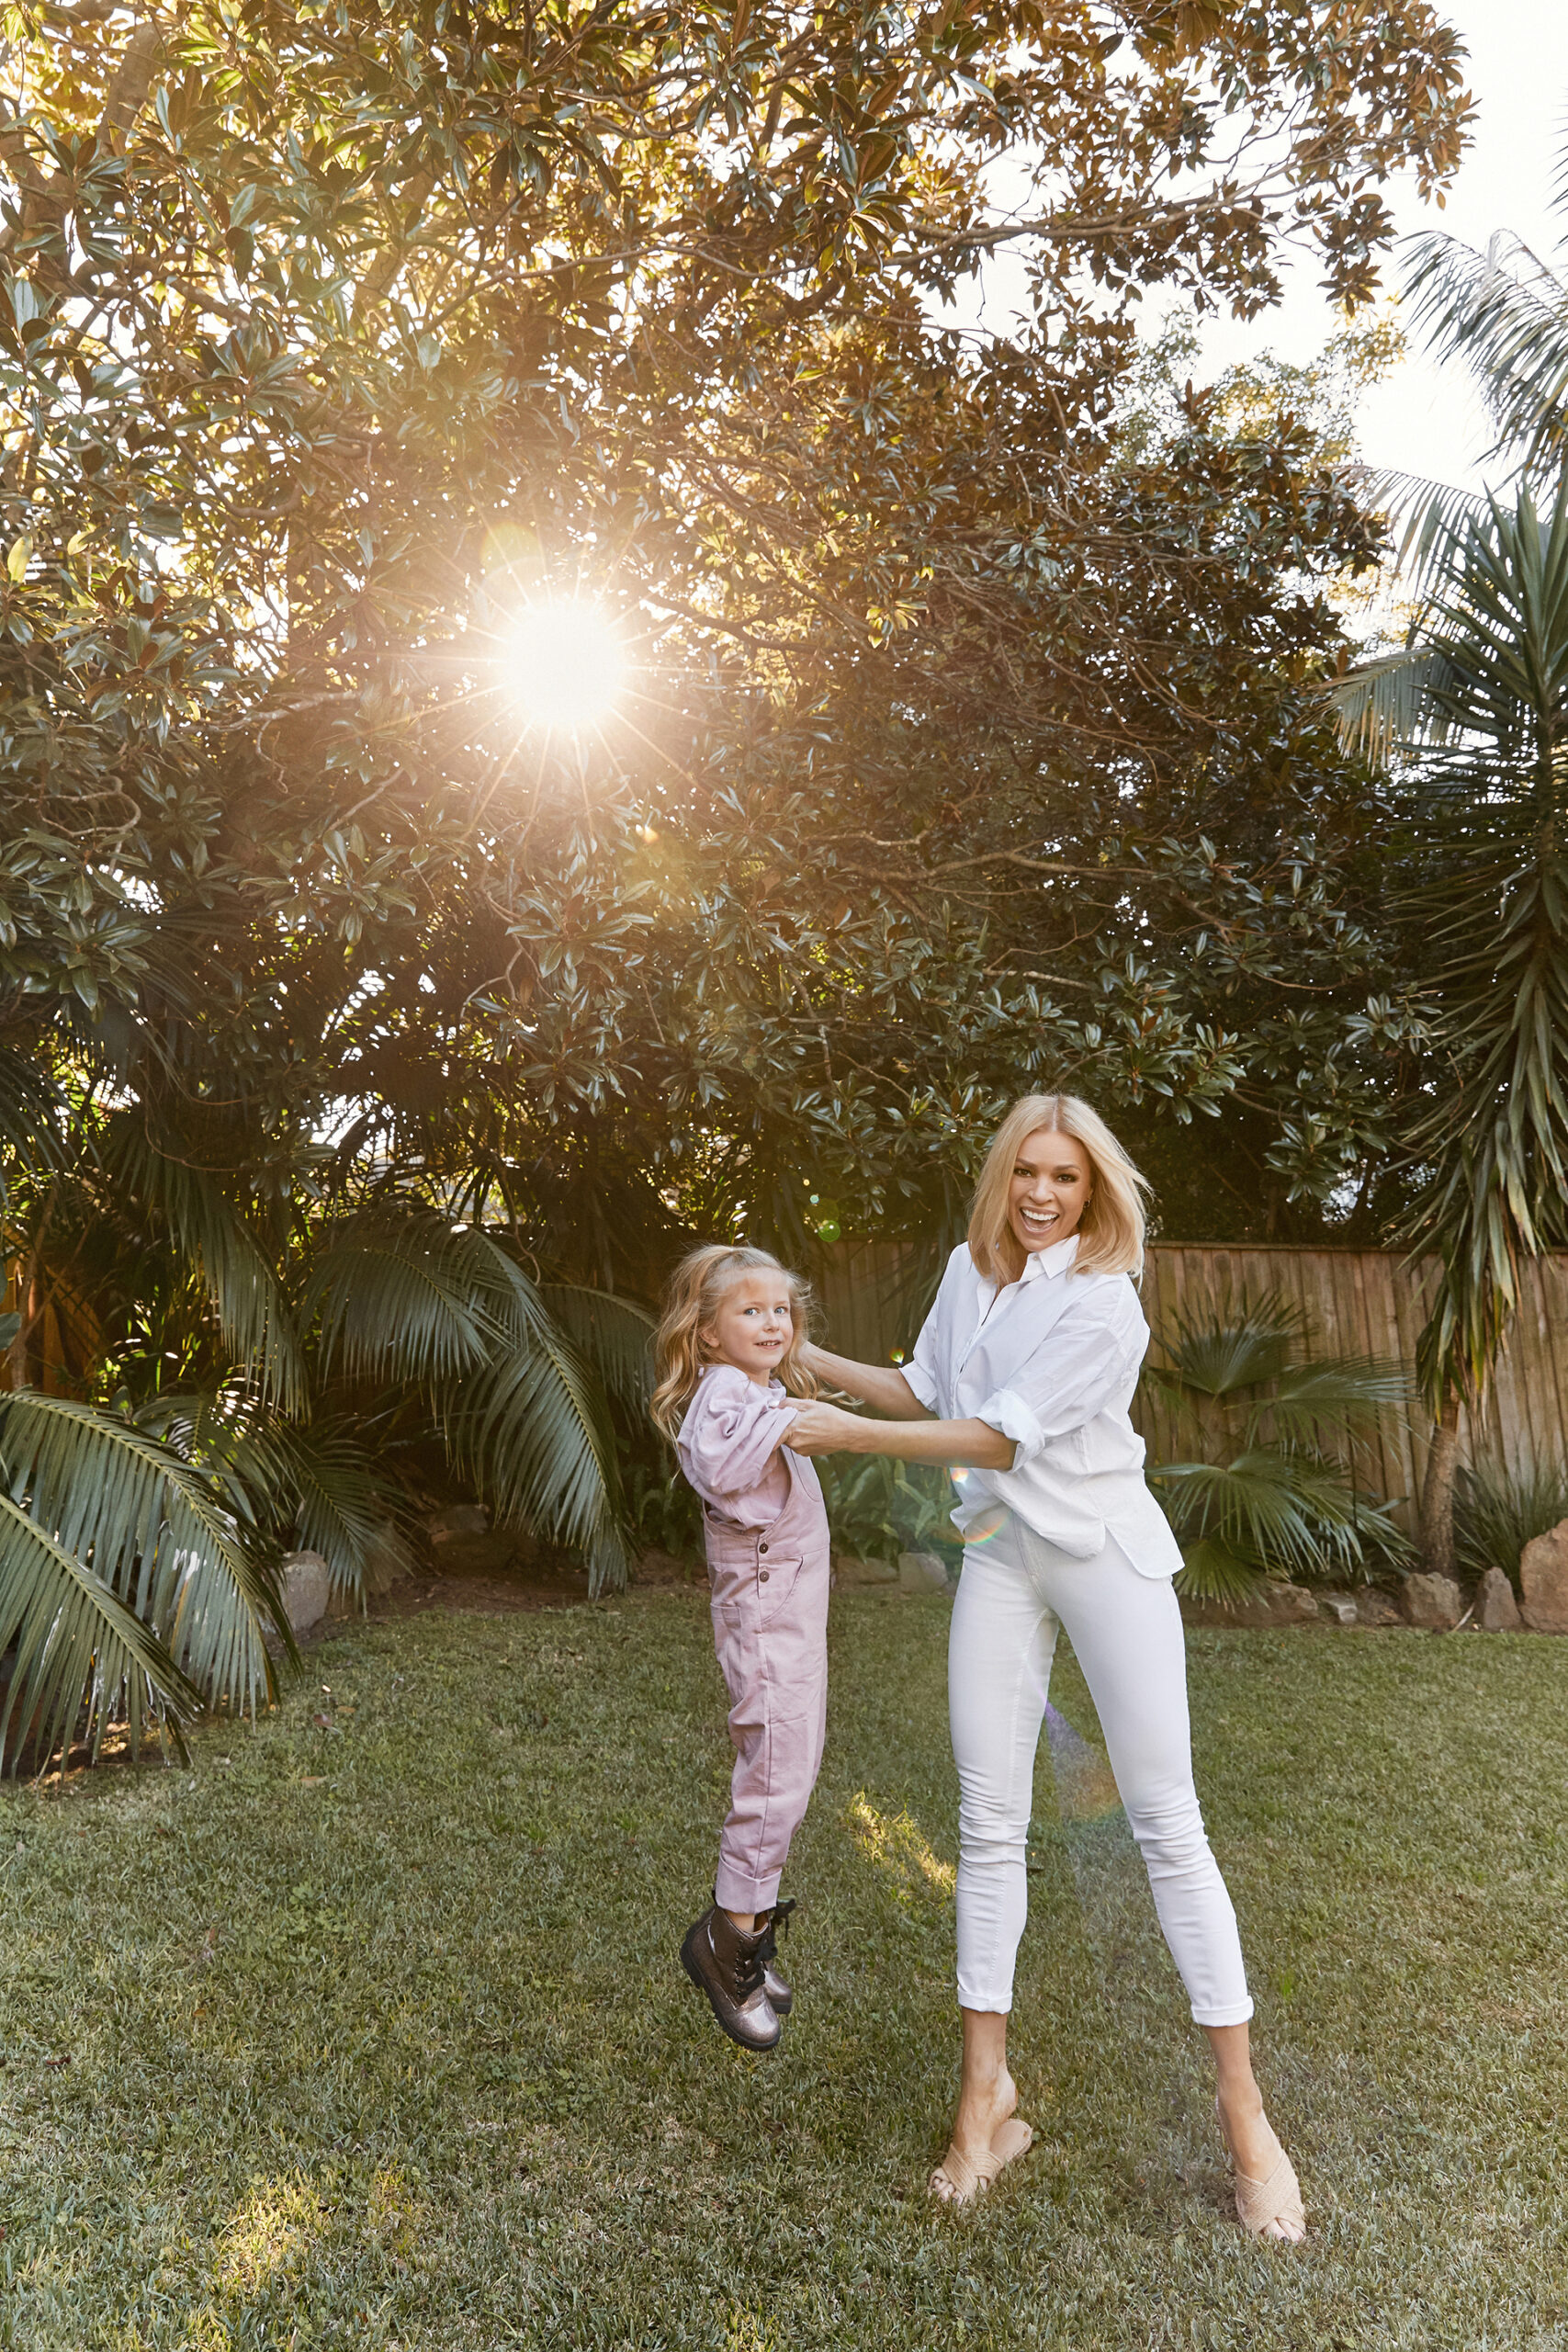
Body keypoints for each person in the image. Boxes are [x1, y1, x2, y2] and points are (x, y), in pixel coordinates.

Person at [786, 1093, 1306, 2240]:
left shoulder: (1105, 1302)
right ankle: (986, 2100)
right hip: (1001, 1552)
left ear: (1094, 1190)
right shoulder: (970, 1271)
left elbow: (997, 1436)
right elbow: (927, 1390)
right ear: (1002, 1176)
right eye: (1026, 1171)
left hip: (1102, 1552)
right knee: (985, 1818)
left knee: (1167, 1822)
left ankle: (1248, 2119)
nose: (1041, 1193)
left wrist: (845, 1436)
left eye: (1065, 1177)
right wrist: (804, 1358)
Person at [651, 1243, 829, 2055]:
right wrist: (791, 1421)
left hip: (788, 1608)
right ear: (707, 1333)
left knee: (793, 1762)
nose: (771, 1322)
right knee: (773, 1770)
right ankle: (724, 1946)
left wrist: (784, 1405)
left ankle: (747, 1923)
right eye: (749, 1310)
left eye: (780, 1309)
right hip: (764, 1612)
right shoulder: (723, 1396)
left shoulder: (756, 1387)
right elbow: (718, 1463)